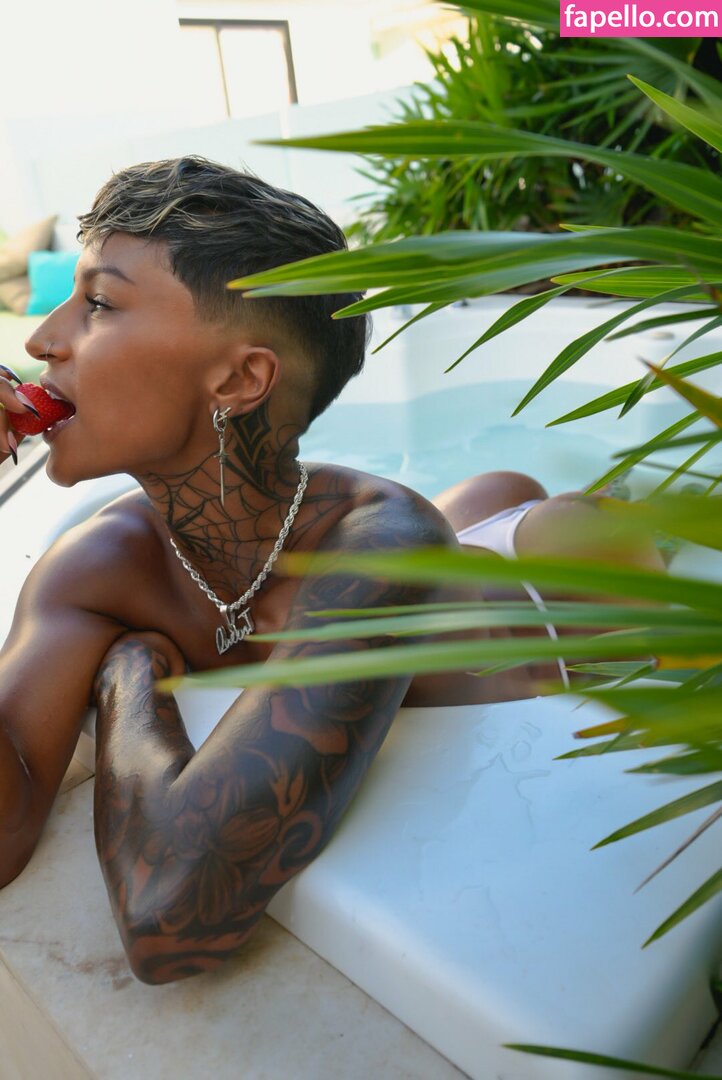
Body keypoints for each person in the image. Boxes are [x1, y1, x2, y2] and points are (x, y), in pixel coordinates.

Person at [0, 156, 665, 986]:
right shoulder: (95, 566)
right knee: (470, 507)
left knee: (616, 551)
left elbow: (172, 915)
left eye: (98, 303)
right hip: (426, 556)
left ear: (239, 379)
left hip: (549, 594)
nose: (41, 340)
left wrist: (128, 674)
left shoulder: (383, 540)